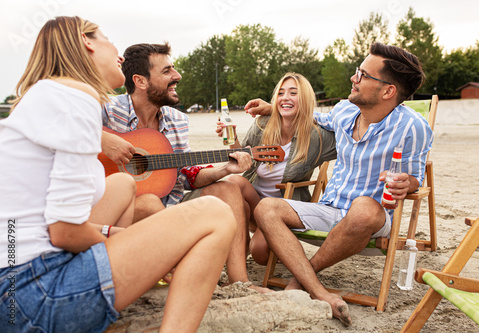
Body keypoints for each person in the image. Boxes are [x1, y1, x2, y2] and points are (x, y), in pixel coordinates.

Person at [0, 16, 236, 333]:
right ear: (87, 42)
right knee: (216, 214)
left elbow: (44, 222)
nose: (119, 55)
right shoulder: (78, 99)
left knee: (123, 182)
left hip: (11, 289)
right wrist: (130, 241)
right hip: (37, 296)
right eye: (108, 39)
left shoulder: (43, 95)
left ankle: (112, 293)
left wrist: (120, 239)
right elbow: (64, 233)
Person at [246, 42, 433, 326]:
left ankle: (299, 280)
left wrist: (405, 183)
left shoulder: (413, 127)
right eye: (357, 71)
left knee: (363, 209)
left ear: (387, 91)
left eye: (362, 75)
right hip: (330, 209)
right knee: (266, 209)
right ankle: (318, 290)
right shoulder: (344, 111)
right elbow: (312, 117)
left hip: (371, 218)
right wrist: (273, 107)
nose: (353, 78)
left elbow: (414, 177)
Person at [101, 42, 270, 293]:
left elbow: (186, 176)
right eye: (167, 71)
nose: (177, 76)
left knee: (229, 189)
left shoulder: (178, 120)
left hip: (171, 204)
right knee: (148, 202)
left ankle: (239, 282)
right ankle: (184, 269)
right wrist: (102, 138)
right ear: (141, 81)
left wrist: (225, 170)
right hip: (120, 211)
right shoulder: (106, 111)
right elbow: (54, 126)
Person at [216, 72, 336, 265]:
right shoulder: (264, 124)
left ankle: (260, 242)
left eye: (293, 93)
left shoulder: (317, 137)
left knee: (260, 254)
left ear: (304, 99)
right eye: (281, 93)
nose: (285, 97)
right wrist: (232, 136)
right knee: (233, 182)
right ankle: (241, 246)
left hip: (284, 208)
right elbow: (240, 157)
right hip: (255, 201)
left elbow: (351, 139)